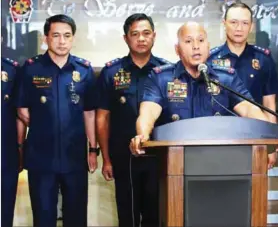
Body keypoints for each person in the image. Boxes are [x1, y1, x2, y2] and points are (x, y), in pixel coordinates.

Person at [129, 21, 269, 156]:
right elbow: (148, 113)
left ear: (208, 47)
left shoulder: (226, 78)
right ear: (177, 49)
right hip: (174, 161)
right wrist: (142, 135)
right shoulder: (160, 78)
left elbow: (249, 109)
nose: (196, 46)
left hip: (221, 158)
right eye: (188, 41)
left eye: (201, 41)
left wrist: (269, 132)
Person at [16, 14, 98, 227]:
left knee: (76, 216)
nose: (62, 41)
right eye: (56, 36)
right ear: (46, 38)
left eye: (67, 36)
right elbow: (22, 110)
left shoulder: (84, 70)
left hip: (74, 157)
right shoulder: (31, 68)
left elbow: (89, 113)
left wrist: (92, 150)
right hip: (41, 157)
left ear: (73, 39)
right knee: (43, 217)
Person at [96, 13, 170, 227]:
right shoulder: (111, 72)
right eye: (135, 34)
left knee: (155, 214)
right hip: (123, 156)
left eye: (146, 33)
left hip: (159, 155)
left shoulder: (166, 72)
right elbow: (102, 118)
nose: (141, 38)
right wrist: (106, 159)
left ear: (154, 36)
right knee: (127, 214)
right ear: (126, 38)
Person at [208, 0, 278, 167]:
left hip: (255, 138)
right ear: (224, 24)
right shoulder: (210, 60)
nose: (239, 28)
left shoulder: (263, 59)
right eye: (233, 22)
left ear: (251, 26)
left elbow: (269, 105)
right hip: (218, 138)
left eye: (244, 23)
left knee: (254, 190)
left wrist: (271, 146)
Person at [1, 56, 26, 227]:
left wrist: (20, 147)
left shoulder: (12, 69)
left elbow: (20, 114)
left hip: (5, 151)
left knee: (4, 209)